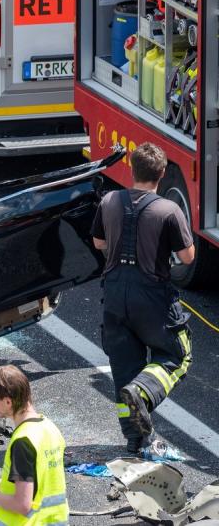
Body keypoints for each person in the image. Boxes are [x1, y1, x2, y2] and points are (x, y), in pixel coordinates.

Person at [90, 142, 194, 454]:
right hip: (152, 298)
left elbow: (98, 242)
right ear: (162, 174)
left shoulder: (109, 201)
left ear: (131, 170)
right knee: (177, 355)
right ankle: (143, 391)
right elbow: (187, 257)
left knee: (124, 369)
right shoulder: (168, 210)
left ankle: (135, 440)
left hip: (114, 297)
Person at [0, 365, 69, 525]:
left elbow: (22, 505)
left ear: (8, 401)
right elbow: (41, 481)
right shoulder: (49, 427)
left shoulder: (22, 442)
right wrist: (0, 485)